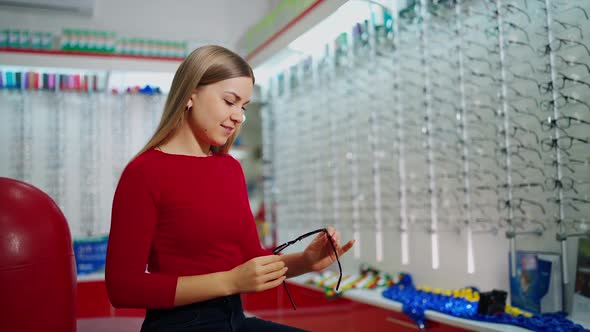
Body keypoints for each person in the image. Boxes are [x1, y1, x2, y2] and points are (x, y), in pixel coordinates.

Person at [105, 45, 355, 332]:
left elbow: (253, 259)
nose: (239, 116)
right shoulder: (144, 172)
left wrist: (306, 261)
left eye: (244, 106)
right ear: (190, 94)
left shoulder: (230, 168)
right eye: (229, 101)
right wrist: (230, 281)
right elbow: (123, 287)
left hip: (234, 320)